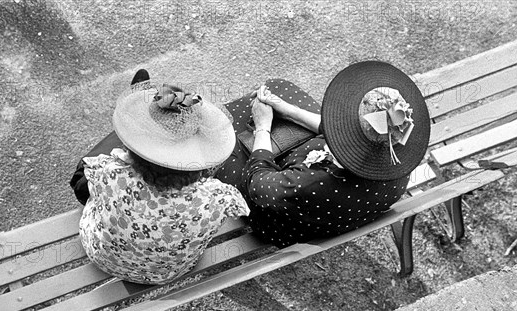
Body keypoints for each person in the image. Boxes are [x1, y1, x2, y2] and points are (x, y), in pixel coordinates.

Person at [215, 61, 430, 248]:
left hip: (282, 218)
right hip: (337, 208)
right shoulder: (399, 159)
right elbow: (338, 131)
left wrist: (263, 126)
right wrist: (289, 110)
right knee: (280, 90)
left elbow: (257, 183)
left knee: (222, 147)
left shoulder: (311, 183)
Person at [74, 70, 249, 284]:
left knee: (83, 167)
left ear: (134, 155)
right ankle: (156, 125)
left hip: (103, 257)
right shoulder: (218, 198)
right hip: (167, 271)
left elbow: (90, 176)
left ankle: (142, 117)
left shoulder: (109, 174)